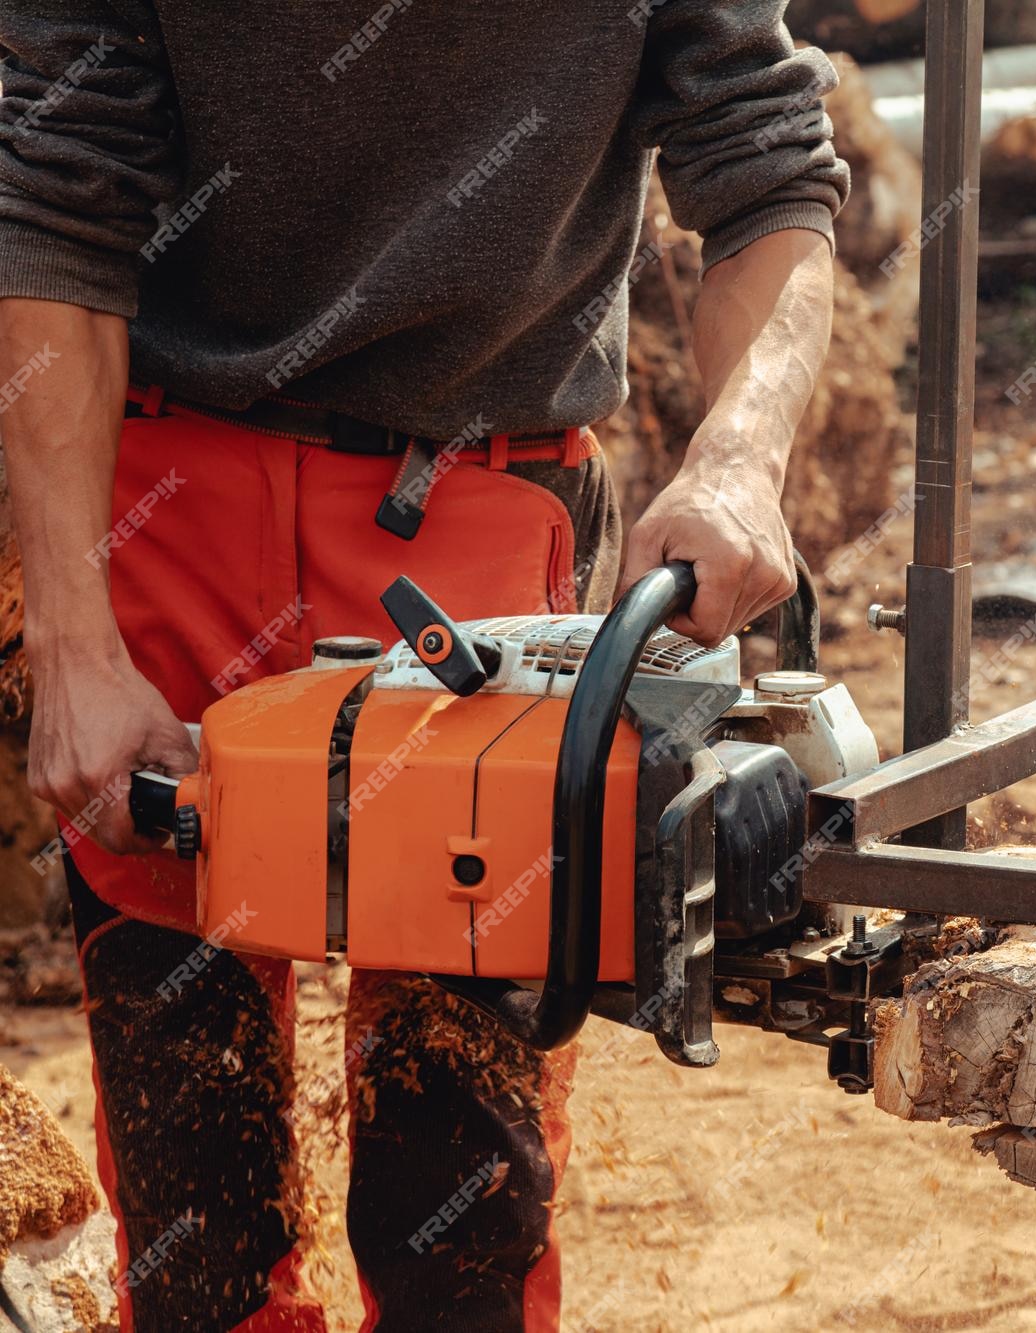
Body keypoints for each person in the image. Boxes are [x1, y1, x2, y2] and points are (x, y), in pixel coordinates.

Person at [0, 3, 846, 1328]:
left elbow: (769, 167)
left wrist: (741, 455)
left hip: (479, 512)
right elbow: (55, 199)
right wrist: (69, 640)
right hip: (164, 502)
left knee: (457, 1193)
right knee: (197, 1214)